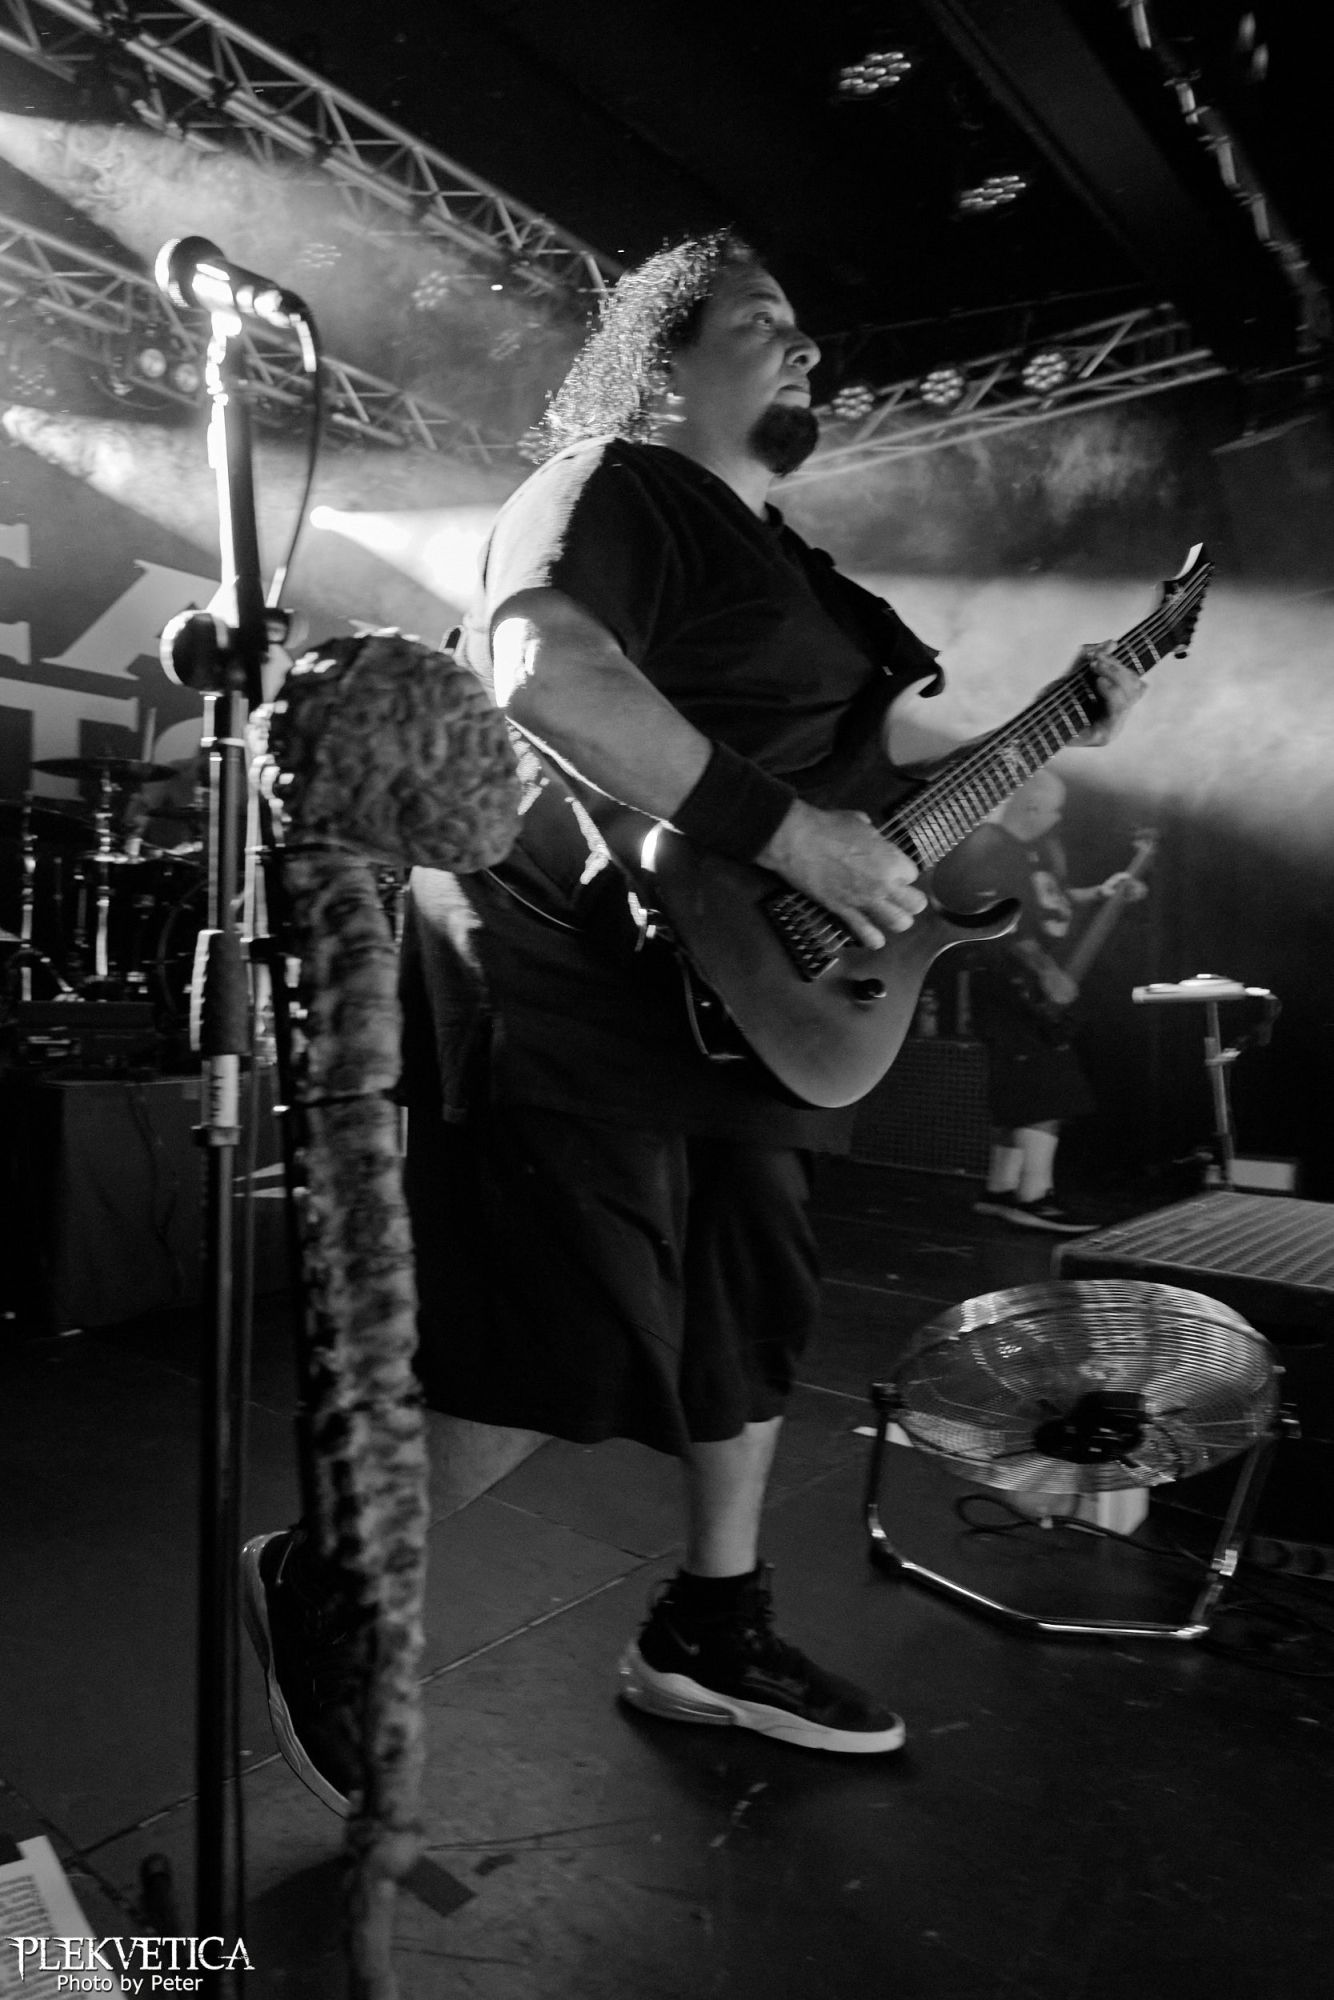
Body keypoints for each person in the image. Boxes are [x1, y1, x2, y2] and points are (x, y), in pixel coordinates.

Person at [242, 230, 1143, 1810]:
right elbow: (542, 672)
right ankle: (330, 1574)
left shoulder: (800, 573)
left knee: (749, 1309)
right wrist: (792, 840)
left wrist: (1059, 725)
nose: (805, 345)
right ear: (659, 368)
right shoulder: (612, 483)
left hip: (750, 995)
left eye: (804, 325)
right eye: (761, 321)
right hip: (579, 961)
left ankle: (709, 1631)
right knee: (568, 1331)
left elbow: (884, 806)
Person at [933, 768, 1148, 1233]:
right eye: (1055, 809)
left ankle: (1000, 1190)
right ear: (1030, 806)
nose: (1059, 817)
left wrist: (1101, 891)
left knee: (1021, 1089)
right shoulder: (989, 848)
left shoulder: (1036, 849)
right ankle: (1035, 1196)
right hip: (1011, 987)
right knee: (1048, 1090)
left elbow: (1050, 898)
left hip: (1026, 986)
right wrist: (1047, 972)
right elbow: (1002, 926)